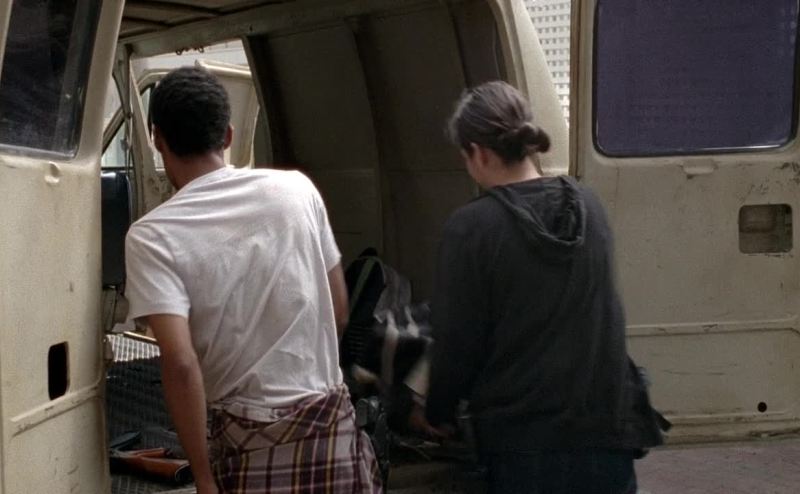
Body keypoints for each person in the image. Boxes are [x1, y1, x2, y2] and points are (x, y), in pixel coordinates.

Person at [124, 67, 383, 494]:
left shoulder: (151, 236)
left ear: (157, 139)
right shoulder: (297, 190)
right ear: (227, 135)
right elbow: (338, 309)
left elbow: (182, 364)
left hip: (248, 445)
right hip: (331, 430)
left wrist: (203, 477)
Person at [424, 81, 664, 494]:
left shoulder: (471, 228)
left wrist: (438, 412)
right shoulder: (589, 207)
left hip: (523, 445)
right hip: (608, 434)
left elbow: (457, 341)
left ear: (478, 153)